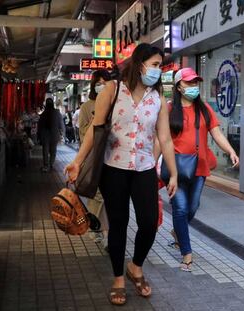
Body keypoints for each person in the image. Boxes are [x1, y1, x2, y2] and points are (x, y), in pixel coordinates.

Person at [65, 43, 177, 306]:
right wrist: (77, 161)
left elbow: (165, 139)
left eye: (160, 66)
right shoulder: (112, 91)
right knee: (118, 224)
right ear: (140, 64)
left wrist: (172, 174)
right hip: (113, 168)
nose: (158, 71)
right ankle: (118, 278)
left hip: (145, 168)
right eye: (155, 65)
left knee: (150, 222)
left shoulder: (157, 99)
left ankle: (135, 267)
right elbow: (96, 128)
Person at [165, 67, 239, 272]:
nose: (193, 86)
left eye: (195, 82)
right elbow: (160, 139)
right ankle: (187, 255)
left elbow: (217, 134)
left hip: (199, 166)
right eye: (189, 83)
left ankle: (177, 232)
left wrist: (231, 151)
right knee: (180, 209)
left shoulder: (205, 109)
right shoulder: (170, 109)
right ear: (179, 86)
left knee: (193, 207)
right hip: (176, 168)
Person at [79, 69, 111, 247]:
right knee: (97, 195)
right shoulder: (86, 106)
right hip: (93, 156)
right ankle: (98, 228)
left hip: (112, 157)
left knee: (108, 196)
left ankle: (100, 228)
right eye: (98, 84)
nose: (102, 87)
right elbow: (83, 133)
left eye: (105, 83)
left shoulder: (114, 104)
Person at [38, 98, 64, 172]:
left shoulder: (43, 114)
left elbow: (39, 126)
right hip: (54, 135)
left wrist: (39, 135)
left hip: (45, 135)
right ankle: (51, 164)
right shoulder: (57, 113)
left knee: (45, 151)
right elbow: (61, 124)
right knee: (53, 151)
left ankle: (46, 165)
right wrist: (62, 133)